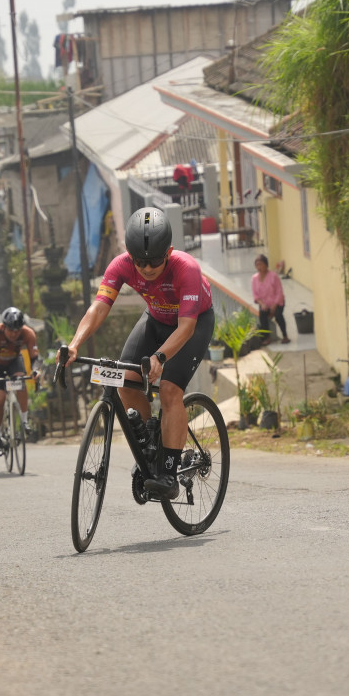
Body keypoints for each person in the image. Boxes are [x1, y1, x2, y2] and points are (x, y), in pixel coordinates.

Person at [62, 206, 215, 500]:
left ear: (169, 252)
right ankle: (149, 448)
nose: (146, 268)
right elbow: (99, 307)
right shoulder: (120, 265)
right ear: (129, 255)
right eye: (140, 261)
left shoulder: (186, 268)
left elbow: (186, 328)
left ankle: (168, 473)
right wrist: (74, 344)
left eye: (155, 260)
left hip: (192, 324)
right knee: (125, 381)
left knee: (169, 390)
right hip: (155, 319)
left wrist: (160, 357)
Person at [0, 306, 40, 456]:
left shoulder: (28, 333)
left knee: (21, 382)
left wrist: (36, 371)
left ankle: (24, 421)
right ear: (4, 327)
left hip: (14, 362)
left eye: (17, 331)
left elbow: (35, 358)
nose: (14, 334)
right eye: (11, 330)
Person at [251, 254, 289, 345]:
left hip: (277, 302)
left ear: (266, 264)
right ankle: (266, 338)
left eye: (261, 264)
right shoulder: (254, 279)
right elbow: (255, 295)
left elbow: (279, 292)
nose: (259, 267)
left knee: (278, 315)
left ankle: (285, 336)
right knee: (262, 315)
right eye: (257, 265)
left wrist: (274, 305)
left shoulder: (273, 276)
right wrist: (262, 304)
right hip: (264, 304)